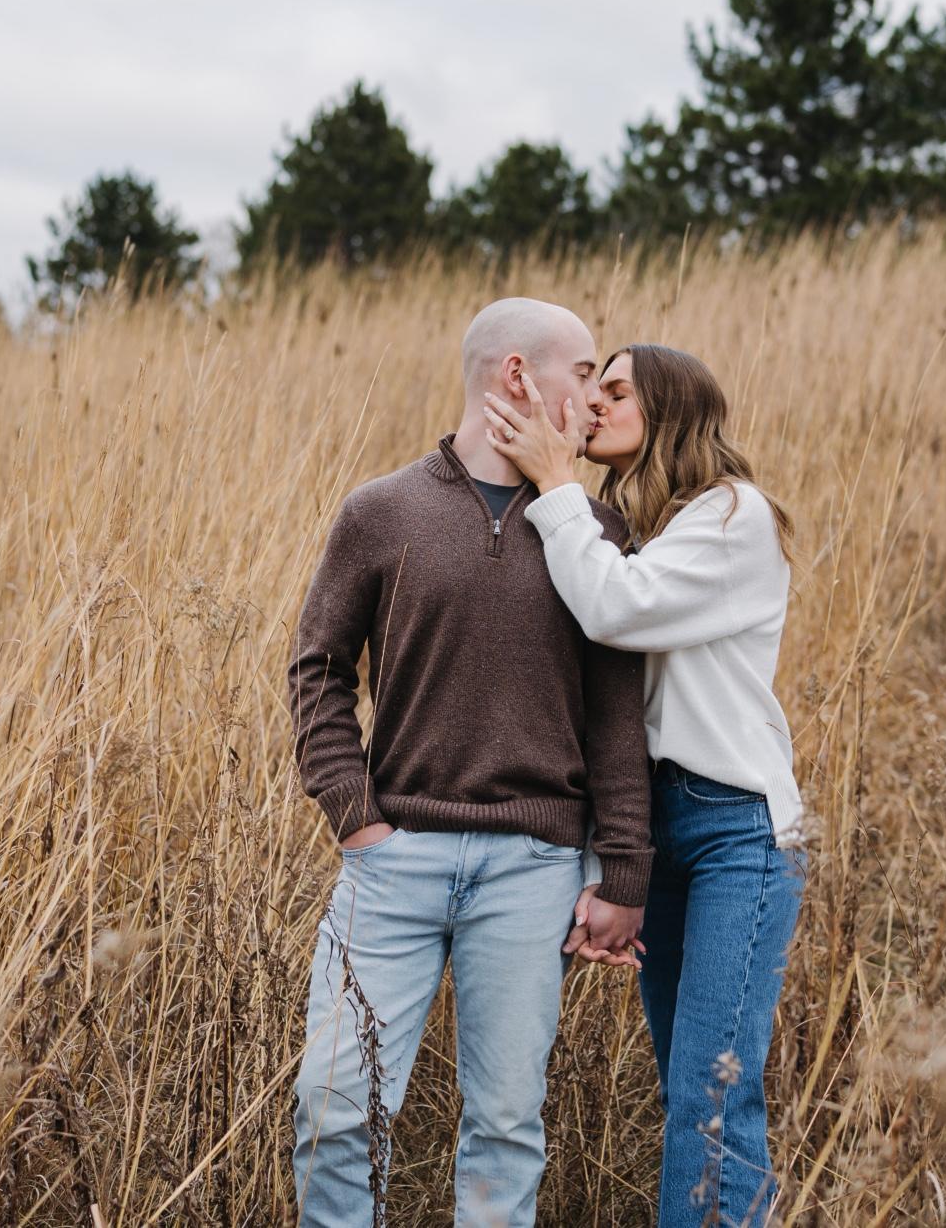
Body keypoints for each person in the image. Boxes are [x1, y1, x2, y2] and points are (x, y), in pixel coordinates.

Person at [287, 297, 653, 1227]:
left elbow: (618, 720)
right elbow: (319, 672)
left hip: (531, 872)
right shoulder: (380, 511)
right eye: (583, 376)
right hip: (392, 859)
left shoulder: (595, 538)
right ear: (518, 377)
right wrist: (357, 817)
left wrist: (625, 871)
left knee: (503, 1122)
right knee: (336, 1111)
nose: (595, 402)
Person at [482, 342, 809, 1227]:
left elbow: (615, 610)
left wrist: (553, 486)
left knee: (713, 1100)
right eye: (594, 388)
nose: (594, 407)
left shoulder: (733, 515)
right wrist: (611, 857)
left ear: (668, 410)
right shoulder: (635, 528)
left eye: (616, 391)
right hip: (657, 828)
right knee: (689, 1093)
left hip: (735, 829)